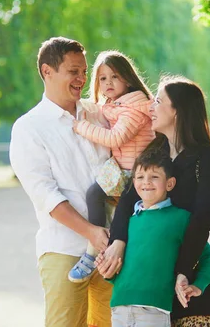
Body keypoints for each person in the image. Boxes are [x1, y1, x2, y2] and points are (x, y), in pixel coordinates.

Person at [97, 75, 210, 327]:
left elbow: (203, 219)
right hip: (148, 271)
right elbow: (127, 202)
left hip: (187, 266)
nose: (150, 107)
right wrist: (118, 243)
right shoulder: (152, 153)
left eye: (158, 101)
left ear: (177, 110)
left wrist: (181, 271)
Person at [9, 37, 112, 327]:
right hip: (63, 249)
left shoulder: (99, 114)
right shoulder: (29, 128)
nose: (82, 79)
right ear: (47, 71)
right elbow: (45, 195)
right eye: (73, 71)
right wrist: (91, 232)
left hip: (111, 250)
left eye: (84, 71)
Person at [68, 50, 155, 283]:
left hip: (135, 174)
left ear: (127, 78)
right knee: (95, 194)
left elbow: (115, 138)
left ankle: (95, 254)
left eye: (114, 77)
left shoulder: (135, 109)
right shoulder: (115, 105)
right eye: (102, 78)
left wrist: (81, 127)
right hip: (121, 170)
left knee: (116, 210)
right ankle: (99, 249)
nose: (107, 83)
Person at [109, 149, 210, 327]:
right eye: (140, 177)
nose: (146, 182)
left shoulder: (180, 218)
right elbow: (126, 272)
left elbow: (207, 256)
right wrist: (108, 272)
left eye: (154, 177)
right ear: (133, 182)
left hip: (154, 311)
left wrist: (199, 286)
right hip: (119, 307)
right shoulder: (129, 222)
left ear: (170, 184)